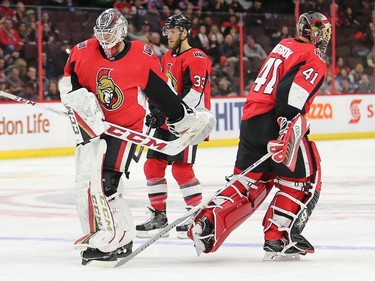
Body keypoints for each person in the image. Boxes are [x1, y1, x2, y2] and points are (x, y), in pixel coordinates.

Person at [57, 8, 214, 266]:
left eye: (111, 35)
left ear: (121, 33)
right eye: (102, 35)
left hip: (125, 127)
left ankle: (116, 237)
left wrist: (180, 118)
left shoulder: (142, 55)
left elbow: (160, 91)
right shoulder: (82, 50)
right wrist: (76, 100)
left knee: (108, 182)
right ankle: (114, 235)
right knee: (87, 183)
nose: (106, 42)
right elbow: (68, 82)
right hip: (91, 127)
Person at [188, 11, 332, 261]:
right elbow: (291, 89)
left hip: (250, 121)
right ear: (316, 34)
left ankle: (207, 223)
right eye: (324, 32)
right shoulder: (314, 56)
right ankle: (279, 239)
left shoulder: (284, 45)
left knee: (247, 183)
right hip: (275, 120)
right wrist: (286, 123)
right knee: (304, 178)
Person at [135, 14, 212, 239]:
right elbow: (163, 88)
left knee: (181, 169)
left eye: (173, 31)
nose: (168, 35)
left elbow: (194, 94)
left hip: (189, 121)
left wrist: (169, 111)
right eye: (167, 31)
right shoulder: (167, 56)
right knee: (152, 165)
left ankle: (195, 215)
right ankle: (159, 215)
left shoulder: (196, 56)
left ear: (185, 32)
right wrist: (156, 110)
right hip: (170, 119)